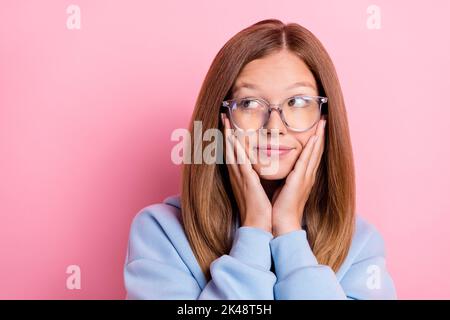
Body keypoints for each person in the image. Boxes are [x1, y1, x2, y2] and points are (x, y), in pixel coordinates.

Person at [123, 19, 397, 300]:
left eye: (298, 102)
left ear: (324, 121)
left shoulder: (360, 245)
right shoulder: (160, 232)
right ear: (221, 120)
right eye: (249, 103)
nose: (274, 127)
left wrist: (288, 231)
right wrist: (254, 229)